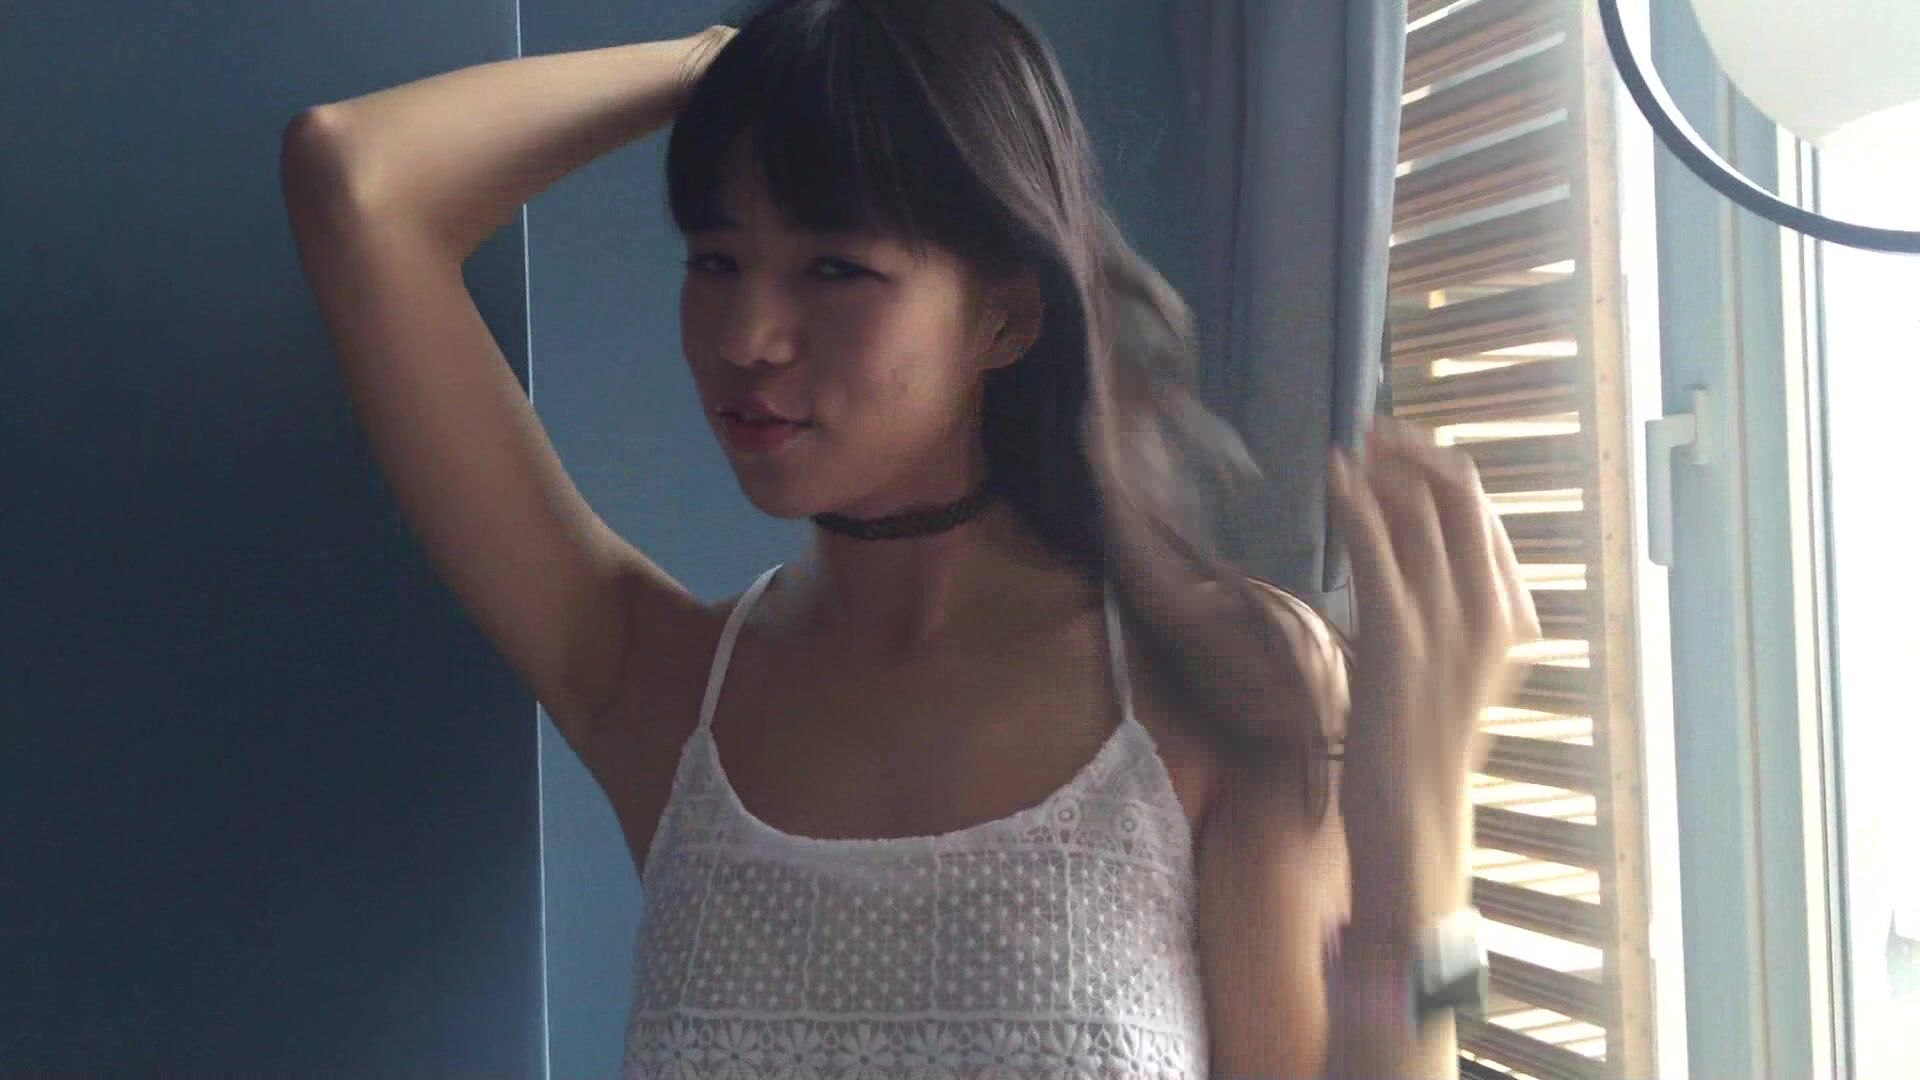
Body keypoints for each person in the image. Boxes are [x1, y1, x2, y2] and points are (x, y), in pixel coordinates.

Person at [279, 1, 1536, 1076]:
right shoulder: (660, 690)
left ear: (1006, 316)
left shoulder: (1213, 687)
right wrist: (729, 63)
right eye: (716, 260)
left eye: (834, 269)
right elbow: (356, 183)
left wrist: (1420, 841)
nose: (746, 336)